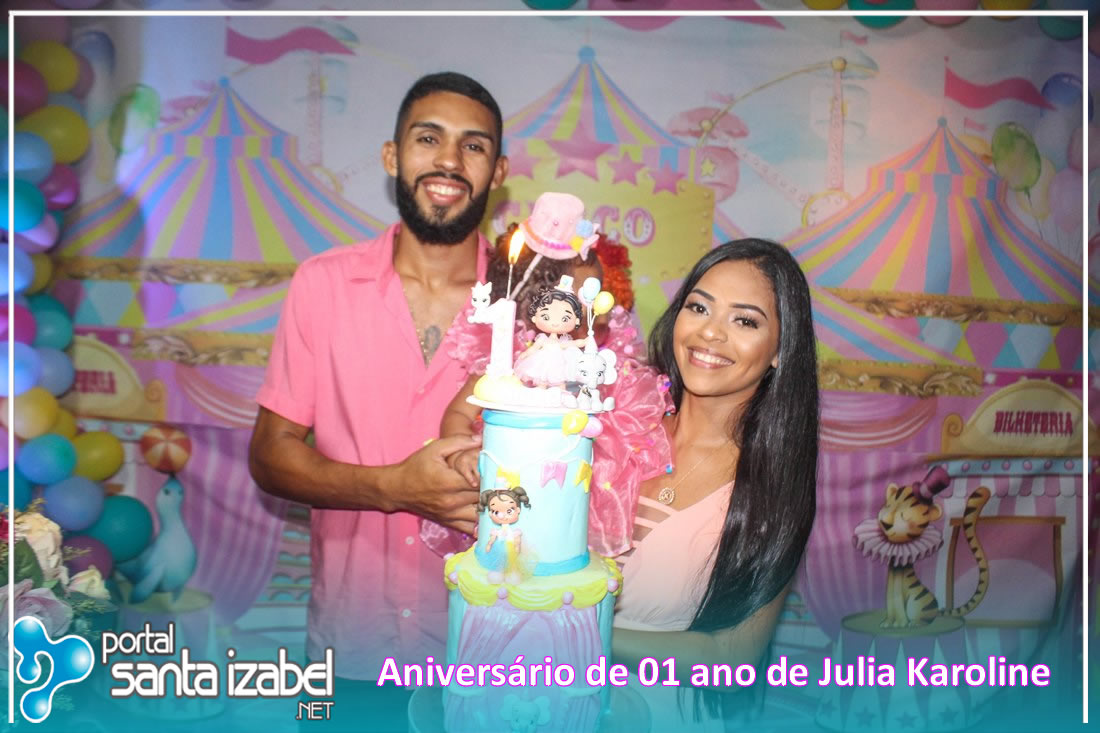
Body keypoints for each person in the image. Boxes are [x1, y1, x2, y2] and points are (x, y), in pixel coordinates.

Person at [248, 71, 508, 732]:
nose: (449, 161)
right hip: (347, 652)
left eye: (473, 146)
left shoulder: (533, 305)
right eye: (428, 138)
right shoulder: (322, 284)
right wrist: (393, 487)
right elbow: (270, 457)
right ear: (393, 156)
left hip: (491, 654)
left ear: (498, 172)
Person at [611, 238, 819, 730]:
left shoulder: (770, 491)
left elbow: (733, 658)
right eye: (699, 307)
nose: (710, 332)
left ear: (779, 351)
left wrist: (584, 636)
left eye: (744, 321)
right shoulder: (610, 426)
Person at [420, 224, 673, 559]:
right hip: (513, 477)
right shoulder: (507, 357)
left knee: (564, 549)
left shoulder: (602, 359)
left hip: (573, 484)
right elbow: (458, 412)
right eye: (585, 293)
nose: (597, 302)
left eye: (600, 289)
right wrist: (461, 452)